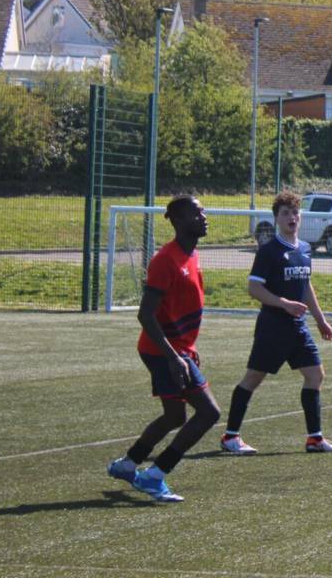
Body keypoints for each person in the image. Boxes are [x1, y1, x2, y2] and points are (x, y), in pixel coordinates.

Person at [107, 195, 221, 502]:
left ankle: (129, 463)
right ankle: (155, 475)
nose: (204, 217)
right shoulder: (165, 261)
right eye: (198, 213)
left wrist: (187, 350)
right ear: (180, 221)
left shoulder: (191, 255)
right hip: (162, 351)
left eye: (204, 212)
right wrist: (174, 357)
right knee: (209, 412)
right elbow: (145, 315)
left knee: (174, 417)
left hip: (176, 350)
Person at [221, 192, 332, 455]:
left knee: (315, 375)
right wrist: (284, 303)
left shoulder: (305, 249)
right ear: (276, 219)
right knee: (253, 378)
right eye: (285, 213)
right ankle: (230, 436)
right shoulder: (269, 251)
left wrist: (321, 320)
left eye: (295, 212)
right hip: (273, 327)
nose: (291, 218)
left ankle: (315, 438)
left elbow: (306, 286)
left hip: (298, 328)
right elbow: (254, 288)